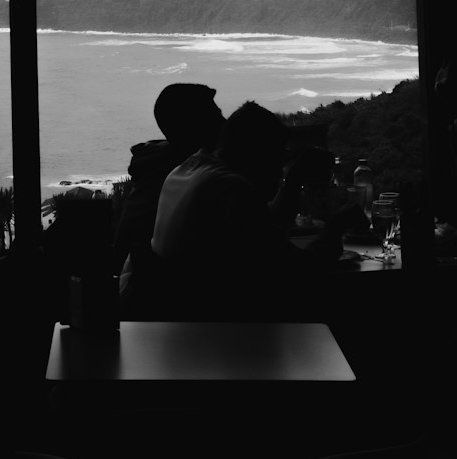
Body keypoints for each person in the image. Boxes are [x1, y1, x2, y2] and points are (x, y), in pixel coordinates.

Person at [124, 101, 363, 320]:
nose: (281, 164)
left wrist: (292, 182)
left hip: (176, 322)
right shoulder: (230, 188)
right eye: (278, 154)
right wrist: (335, 228)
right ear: (256, 153)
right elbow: (298, 273)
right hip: (219, 333)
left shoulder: (187, 170)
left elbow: (262, 230)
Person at [112, 83, 225, 275]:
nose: (224, 123)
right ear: (194, 126)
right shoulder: (187, 178)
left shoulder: (158, 168)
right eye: (215, 117)